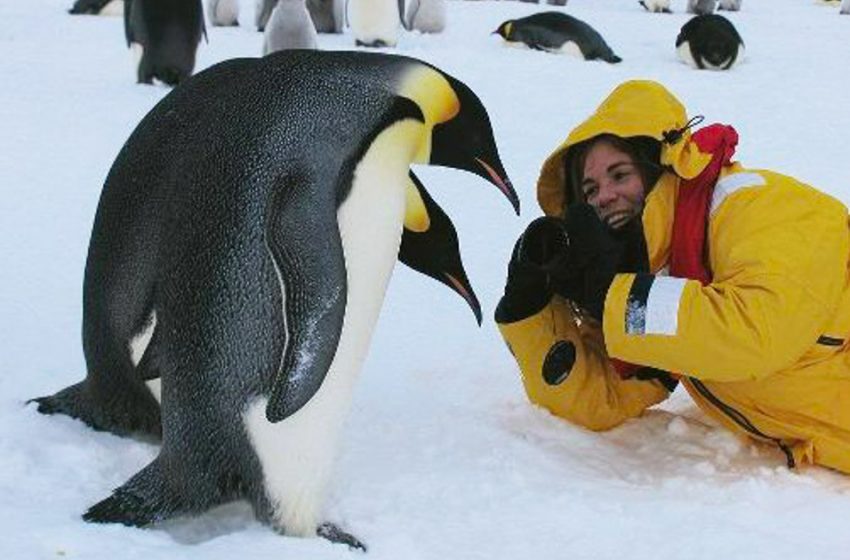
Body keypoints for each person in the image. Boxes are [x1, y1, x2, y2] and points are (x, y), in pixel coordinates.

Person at [495, 79, 850, 474]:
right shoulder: (664, 274)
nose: (604, 196)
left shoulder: (763, 209)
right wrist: (530, 304)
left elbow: (754, 331)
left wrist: (617, 299)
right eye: (590, 189)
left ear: (659, 167)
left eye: (619, 174)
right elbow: (599, 398)